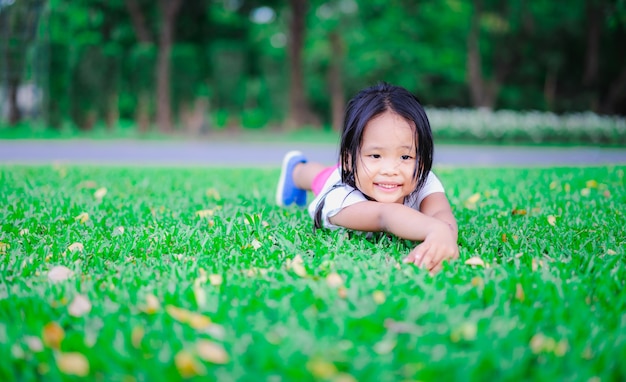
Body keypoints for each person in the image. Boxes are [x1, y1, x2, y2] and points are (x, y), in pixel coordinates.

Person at [276, 83, 459, 273]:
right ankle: (295, 169)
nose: (390, 170)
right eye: (376, 155)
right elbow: (384, 215)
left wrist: (445, 235)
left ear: (421, 160)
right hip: (344, 181)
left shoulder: (420, 177)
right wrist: (435, 230)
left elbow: (440, 212)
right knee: (318, 176)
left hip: (366, 172)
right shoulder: (340, 198)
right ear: (347, 159)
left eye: (405, 157)